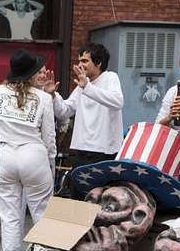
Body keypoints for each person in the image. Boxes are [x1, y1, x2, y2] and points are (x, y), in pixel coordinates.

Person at [0, 49, 56, 251]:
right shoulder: (44, 99)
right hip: (34, 156)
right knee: (42, 215)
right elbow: (50, 140)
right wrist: (51, 168)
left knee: (9, 218)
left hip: (3, 155)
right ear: (31, 75)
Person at [44, 43, 124, 195]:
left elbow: (118, 101)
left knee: (100, 200)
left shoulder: (110, 77)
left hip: (104, 152)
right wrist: (52, 96)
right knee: (79, 197)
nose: (80, 65)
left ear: (99, 63)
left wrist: (87, 87)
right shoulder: (82, 85)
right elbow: (64, 111)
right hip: (81, 151)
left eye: (85, 61)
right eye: (79, 61)